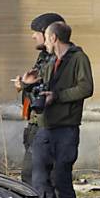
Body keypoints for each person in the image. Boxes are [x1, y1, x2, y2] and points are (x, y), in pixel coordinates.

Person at [33, 21, 93, 198]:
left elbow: (86, 88)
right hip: (45, 127)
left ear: (54, 38)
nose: (44, 42)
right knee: (40, 180)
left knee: (61, 179)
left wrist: (57, 96)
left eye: (46, 38)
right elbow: (44, 86)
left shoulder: (78, 58)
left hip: (66, 128)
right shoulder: (50, 61)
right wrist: (30, 85)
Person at [14, 13, 63, 186]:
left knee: (36, 177)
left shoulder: (59, 58)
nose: (33, 36)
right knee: (31, 177)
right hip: (36, 124)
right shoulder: (44, 57)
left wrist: (30, 85)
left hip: (47, 126)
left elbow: (52, 90)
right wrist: (25, 85)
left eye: (36, 32)